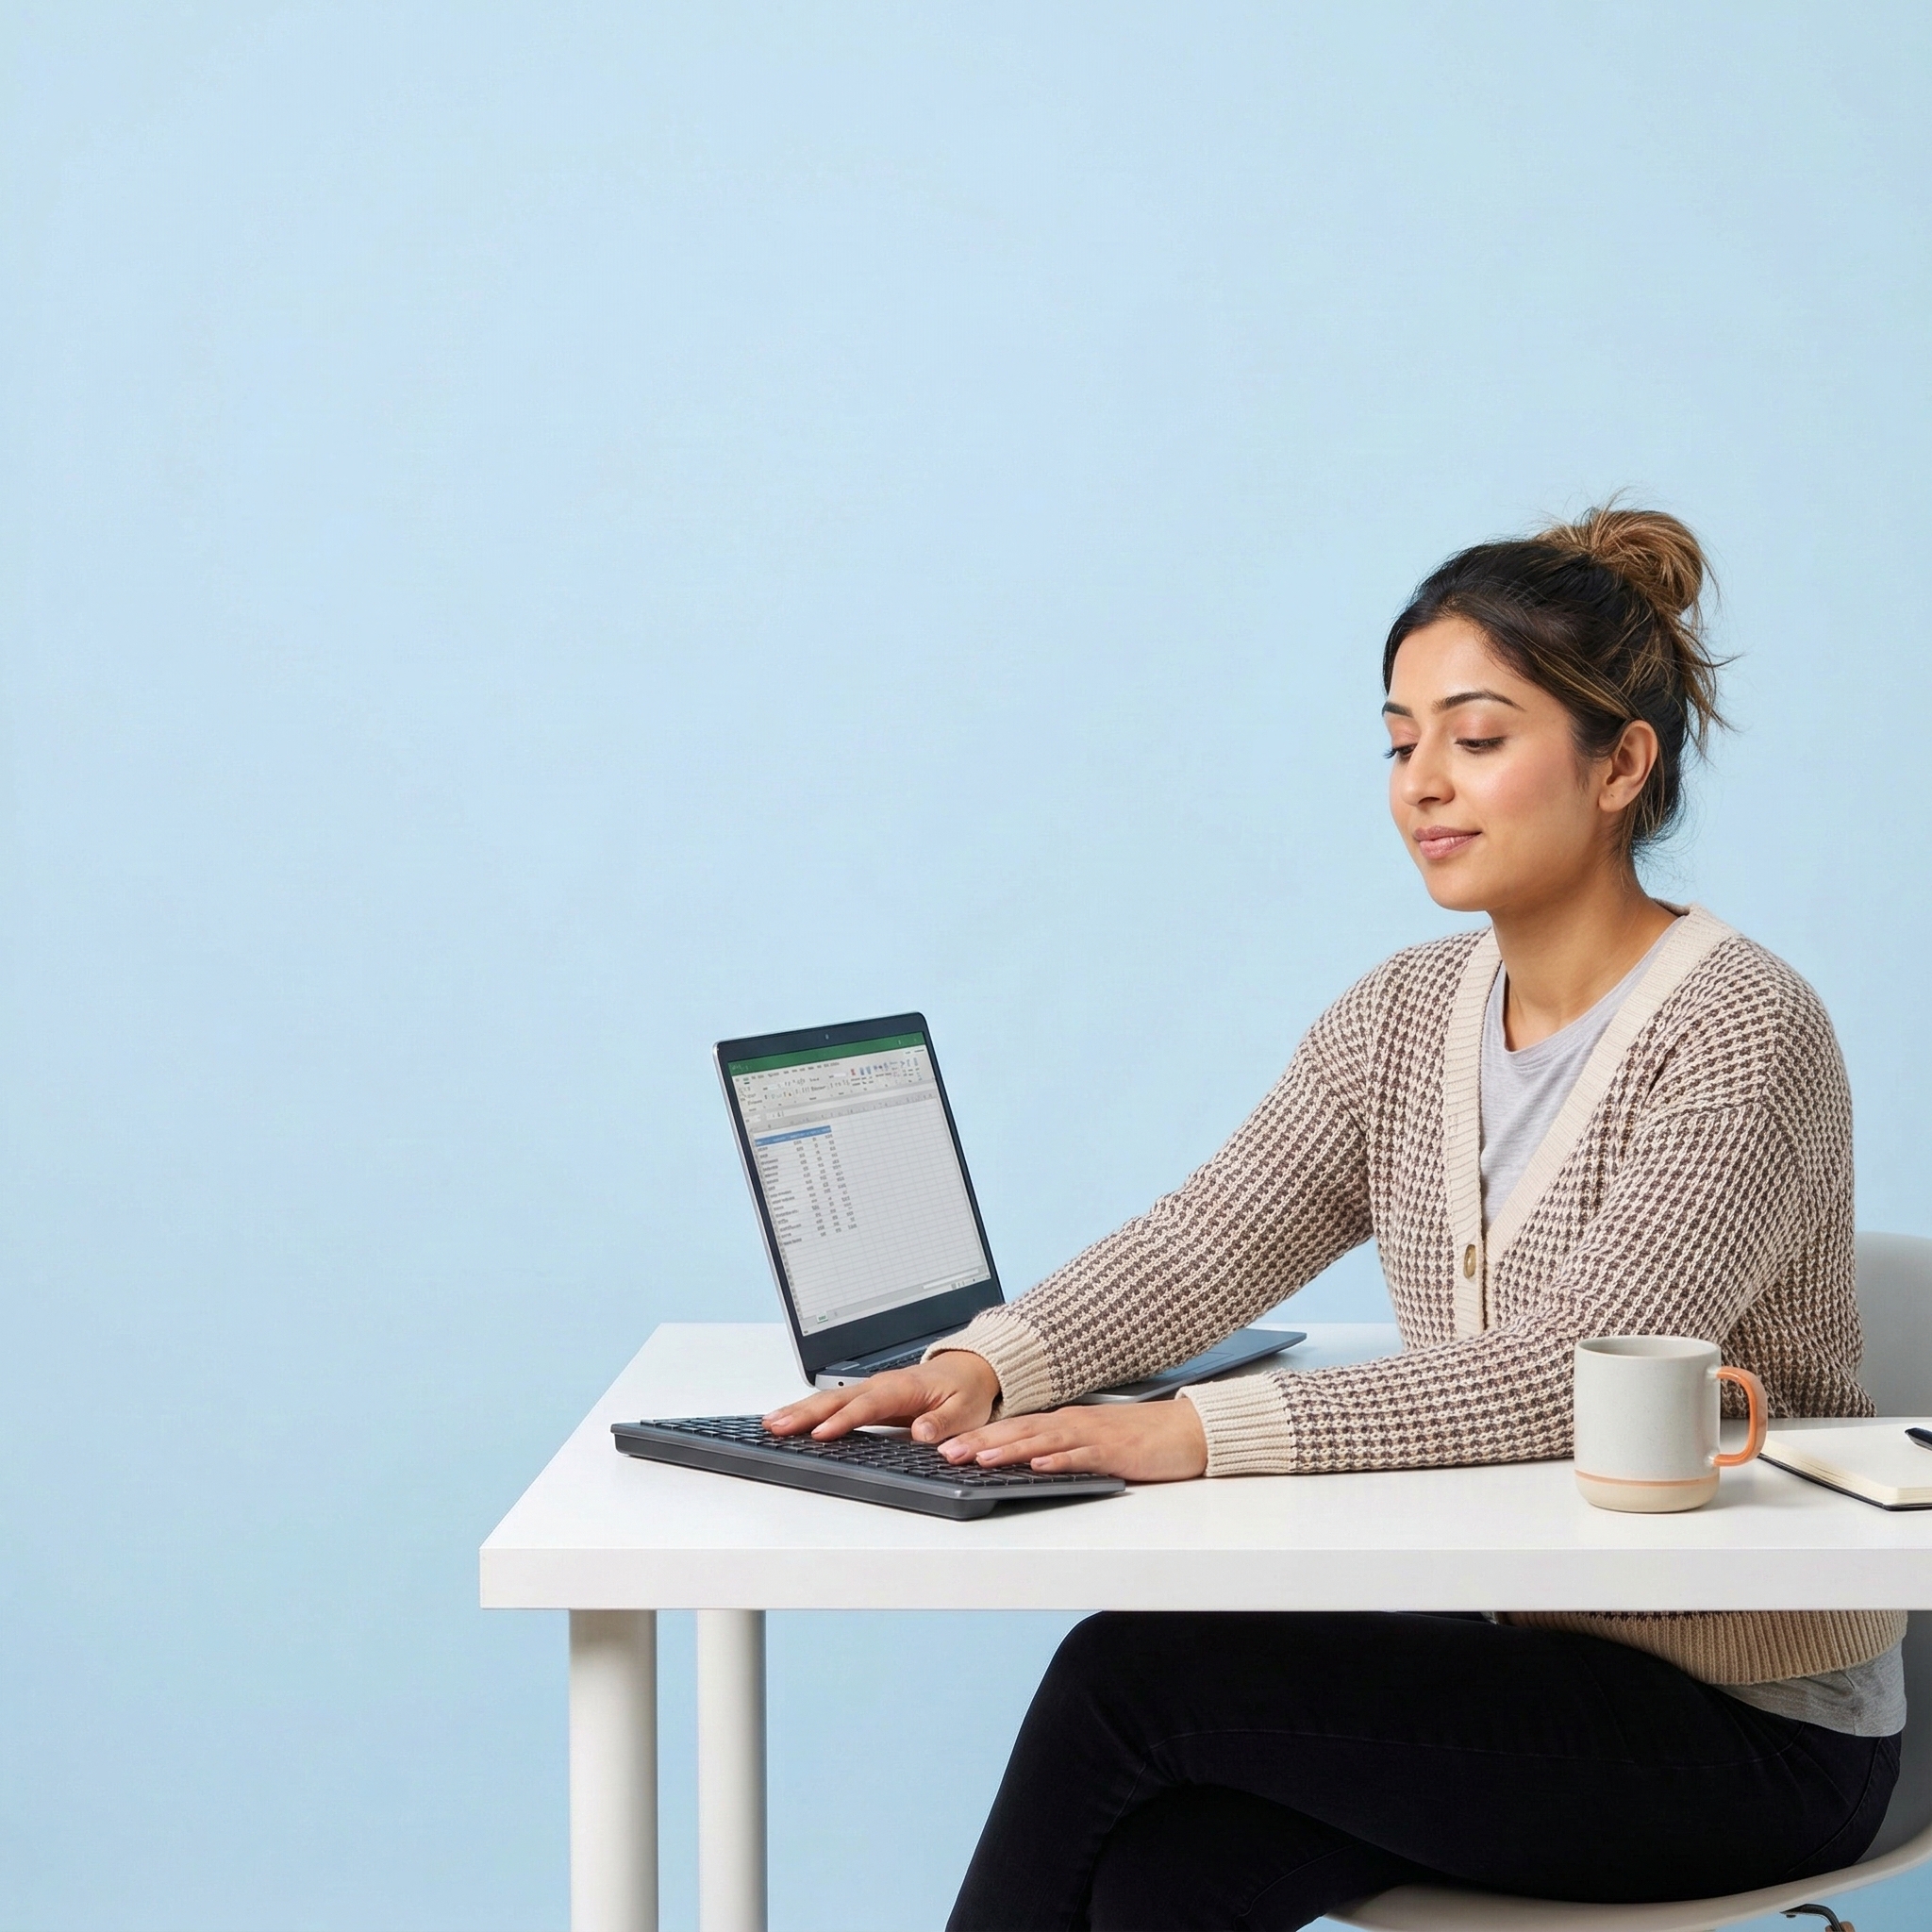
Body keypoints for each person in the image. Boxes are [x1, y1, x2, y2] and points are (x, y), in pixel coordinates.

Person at [766, 507, 1905, 1931]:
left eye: (1477, 740)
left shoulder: (1742, 1028)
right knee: (1157, 1878)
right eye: (1399, 740)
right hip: (1517, 1652)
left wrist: (1196, 1437)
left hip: (1754, 1726)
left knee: (1132, 1685)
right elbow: (1212, 1236)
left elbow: (1577, 1364)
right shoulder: (1402, 1018)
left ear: (1622, 764)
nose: (1423, 783)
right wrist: (987, 1365)